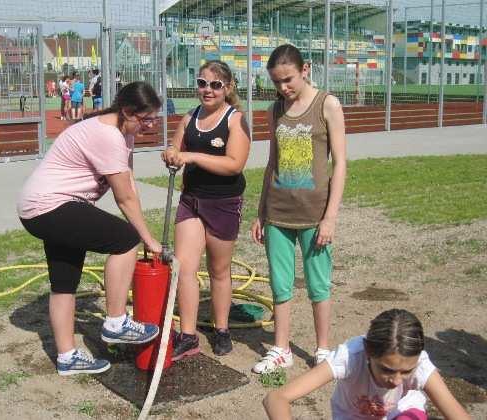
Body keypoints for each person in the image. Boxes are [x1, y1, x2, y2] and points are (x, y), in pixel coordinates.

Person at [17, 81, 163, 376]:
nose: (150, 125)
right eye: (145, 119)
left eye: (154, 118)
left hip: (41, 207)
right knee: (125, 239)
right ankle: (116, 321)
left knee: (64, 282)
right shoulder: (107, 135)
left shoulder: (123, 131)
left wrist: (141, 217)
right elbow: (123, 197)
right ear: (126, 111)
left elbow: (128, 182)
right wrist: (148, 238)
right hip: (51, 205)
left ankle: (67, 357)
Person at [251, 44, 347, 373]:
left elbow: (341, 163)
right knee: (280, 283)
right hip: (278, 214)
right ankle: (281, 349)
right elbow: (271, 163)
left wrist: (330, 217)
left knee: (318, 284)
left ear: (305, 70)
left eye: (288, 80)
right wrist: (261, 211)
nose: (283, 88)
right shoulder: (274, 110)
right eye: (277, 82)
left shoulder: (328, 105)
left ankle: (322, 350)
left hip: (315, 216)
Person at [162, 60, 250, 359]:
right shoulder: (190, 116)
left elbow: (234, 164)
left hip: (224, 204)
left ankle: (221, 328)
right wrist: (172, 155)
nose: (207, 90)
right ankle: (188, 335)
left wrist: (192, 156)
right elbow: (176, 148)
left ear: (228, 88)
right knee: (183, 267)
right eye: (202, 83)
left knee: (219, 270)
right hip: (192, 200)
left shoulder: (235, 119)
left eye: (215, 85)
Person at [263, 309, 471, 420]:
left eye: (406, 371)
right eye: (387, 369)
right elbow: (276, 398)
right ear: (369, 352)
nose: (397, 380)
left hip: (402, 414)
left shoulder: (421, 365)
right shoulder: (350, 356)